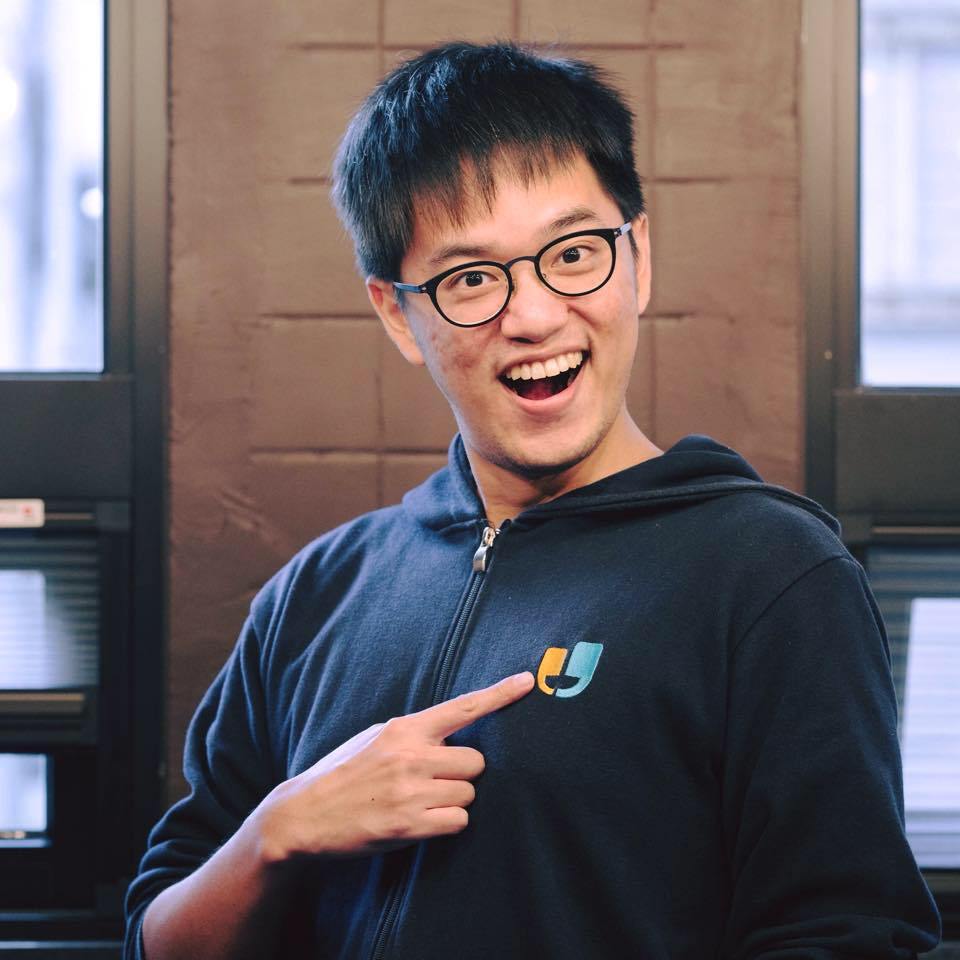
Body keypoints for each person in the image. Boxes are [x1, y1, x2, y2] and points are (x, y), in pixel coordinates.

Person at [125, 41, 941, 959]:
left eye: (574, 253)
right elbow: (157, 940)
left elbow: (851, 936)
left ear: (638, 258)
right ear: (398, 314)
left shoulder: (771, 577)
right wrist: (277, 834)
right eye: (471, 278)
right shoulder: (314, 595)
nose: (536, 315)